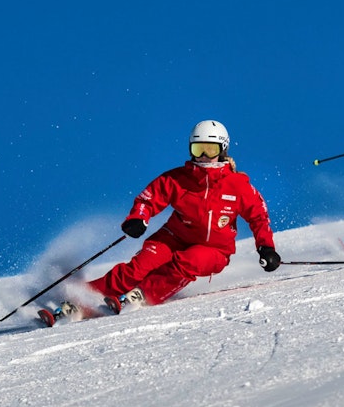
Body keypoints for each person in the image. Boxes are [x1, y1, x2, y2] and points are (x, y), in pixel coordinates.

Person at [43, 120, 281, 325]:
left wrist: (266, 248)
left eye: (210, 149)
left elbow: (259, 216)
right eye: (199, 149)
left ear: (223, 149)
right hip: (173, 238)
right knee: (137, 268)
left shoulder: (238, 185)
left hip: (214, 250)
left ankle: (142, 295)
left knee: (189, 261)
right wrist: (138, 218)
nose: (204, 156)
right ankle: (77, 302)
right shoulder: (177, 178)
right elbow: (149, 198)